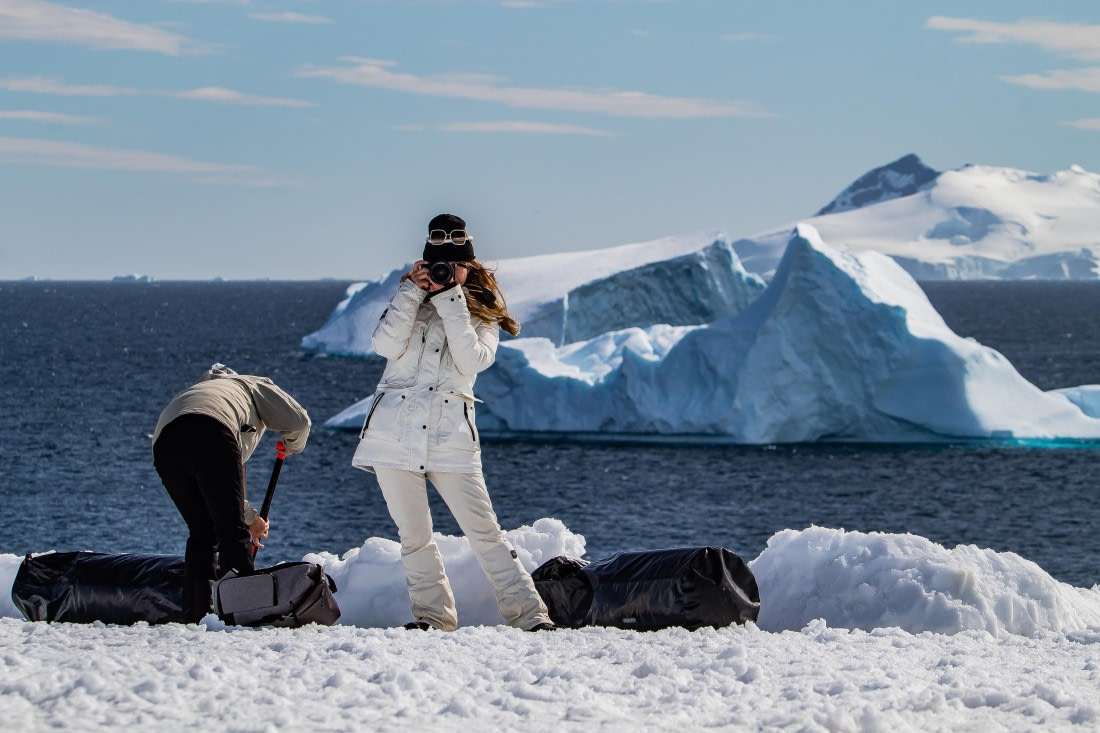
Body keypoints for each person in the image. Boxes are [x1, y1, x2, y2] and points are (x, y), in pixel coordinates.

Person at [353, 213, 554, 632]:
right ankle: (431, 618)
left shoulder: (481, 314)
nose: (448, 271)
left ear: (471, 266)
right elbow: (384, 344)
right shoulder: (409, 301)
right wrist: (411, 291)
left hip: (451, 439)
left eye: (457, 264)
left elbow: (473, 360)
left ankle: (531, 617)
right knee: (415, 537)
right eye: (439, 264)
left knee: (486, 533)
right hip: (394, 434)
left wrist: (451, 299)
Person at [152, 363, 311, 622]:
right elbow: (300, 422)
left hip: (165, 446)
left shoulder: (197, 392)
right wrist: (290, 445)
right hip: (212, 431)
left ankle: (197, 613)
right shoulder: (251, 384)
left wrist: (251, 519)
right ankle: (242, 612)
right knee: (232, 533)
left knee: (203, 532)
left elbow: (218, 493)